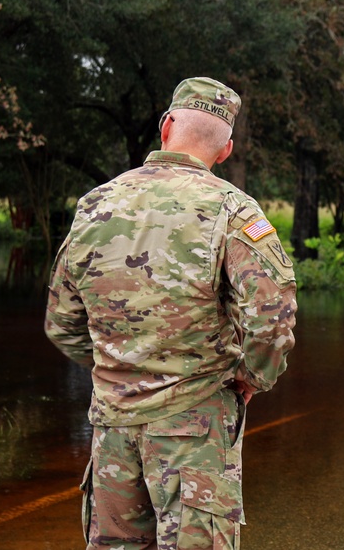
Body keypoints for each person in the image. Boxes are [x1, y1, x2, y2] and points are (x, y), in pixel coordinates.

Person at [45, 77, 297, 549]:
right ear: (225, 151)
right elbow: (272, 318)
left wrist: (120, 365)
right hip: (194, 426)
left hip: (112, 428)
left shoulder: (95, 204)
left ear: (166, 127)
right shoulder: (233, 210)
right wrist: (252, 378)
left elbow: (62, 321)